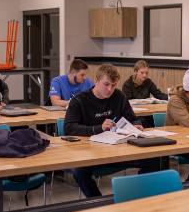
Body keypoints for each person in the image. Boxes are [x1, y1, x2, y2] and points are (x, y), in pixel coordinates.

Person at [65, 64, 161, 197]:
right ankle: (99, 203)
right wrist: (98, 128)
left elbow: (132, 118)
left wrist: (136, 125)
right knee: (79, 171)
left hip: (117, 149)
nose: (110, 89)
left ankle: (137, 196)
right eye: (106, 84)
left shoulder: (119, 97)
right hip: (89, 152)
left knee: (154, 159)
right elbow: (69, 128)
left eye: (114, 85)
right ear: (96, 81)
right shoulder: (79, 100)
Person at [122, 60, 168, 128]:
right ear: (135, 72)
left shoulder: (148, 82)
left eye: (146, 73)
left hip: (147, 112)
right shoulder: (127, 85)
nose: (145, 75)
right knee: (143, 121)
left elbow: (158, 94)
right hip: (135, 114)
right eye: (142, 73)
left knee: (158, 122)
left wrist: (170, 97)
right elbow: (127, 102)